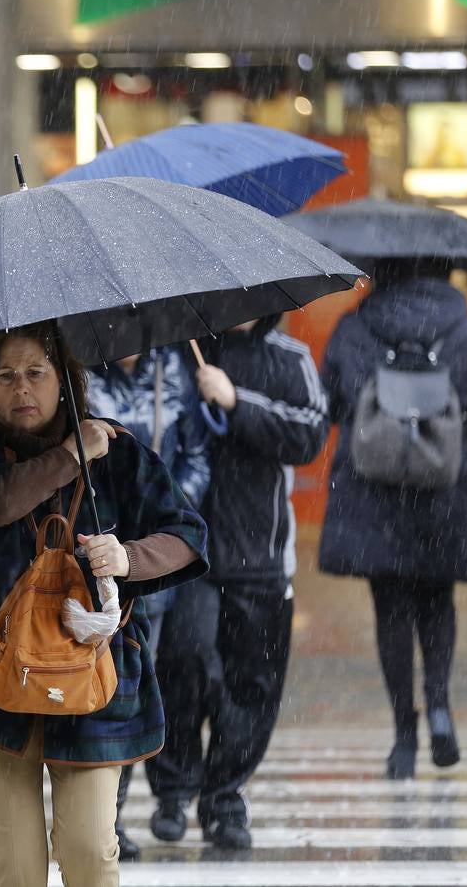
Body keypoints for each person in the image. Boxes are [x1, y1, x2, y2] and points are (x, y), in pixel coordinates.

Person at [0, 322, 208, 887]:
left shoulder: (116, 448)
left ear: (64, 380)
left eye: (36, 373)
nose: (22, 388)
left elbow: (188, 535)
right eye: (5, 376)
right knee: (18, 865)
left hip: (93, 680)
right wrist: (72, 457)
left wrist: (127, 559)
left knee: (89, 852)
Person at [318, 261, 467, 779]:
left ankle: (405, 733)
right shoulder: (465, 330)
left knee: (392, 609)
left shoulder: (357, 325)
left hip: (374, 489)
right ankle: (441, 705)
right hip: (444, 489)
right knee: (437, 601)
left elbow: (331, 401)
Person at [146, 316, 328, 850]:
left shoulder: (289, 357)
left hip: (263, 556)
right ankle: (174, 791)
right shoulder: (181, 351)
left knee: (253, 686)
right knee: (183, 663)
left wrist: (236, 401)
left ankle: (225, 798)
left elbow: (310, 434)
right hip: (189, 552)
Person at [86, 346, 210, 861]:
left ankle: (123, 809)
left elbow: (197, 457)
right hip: (94, 556)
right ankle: (101, 817)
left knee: (136, 684)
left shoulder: (174, 368)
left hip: (151, 560)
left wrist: (163, 508)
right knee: (101, 689)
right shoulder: (83, 376)